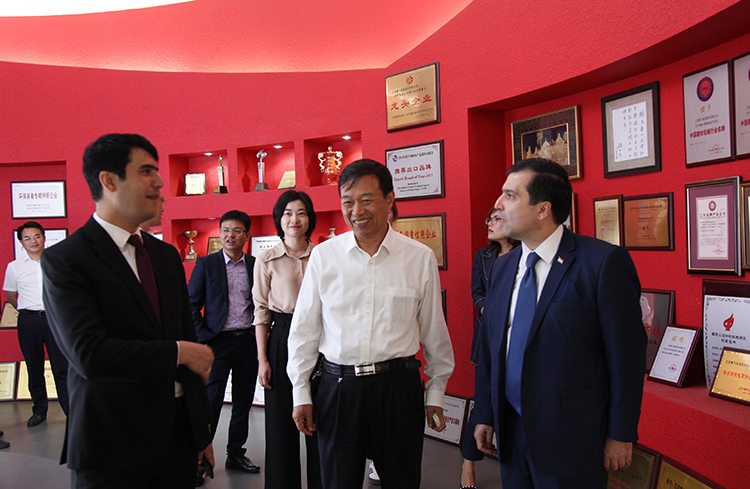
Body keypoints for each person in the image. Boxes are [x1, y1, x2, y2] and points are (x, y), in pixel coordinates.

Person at [41, 133, 214, 489]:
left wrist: (201, 432)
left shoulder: (165, 256)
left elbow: (186, 341)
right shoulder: (67, 259)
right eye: (146, 171)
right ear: (109, 181)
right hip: (111, 444)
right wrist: (178, 353)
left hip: (177, 440)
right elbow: (89, 354)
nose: (159, 182)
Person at [473, 158, 647, 489]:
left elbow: (626, 357)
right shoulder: (502, 267)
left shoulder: (602, 263)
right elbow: (492, 347)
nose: (498, 205)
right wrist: (484, 413)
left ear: (543, 209)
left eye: (510, 196)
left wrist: (621, 433)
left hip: (573, 437)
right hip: (511, 429)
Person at [287, 159, 455, 489]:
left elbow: (434, 329)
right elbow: (304, 330)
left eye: (366, 200)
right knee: (338, 481)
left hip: (397, 388)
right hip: (338, 388)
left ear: (389, 200)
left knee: (402, 481)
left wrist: (436, 391)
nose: (356, 211)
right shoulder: (324, 256)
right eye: (347, 202)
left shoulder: (418, 257)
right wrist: (300, 391)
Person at [253, 190, 321, 489]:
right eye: (288, 213)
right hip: (280, 336)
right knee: (281, 424)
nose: (295, 219)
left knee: (319, 418)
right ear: (279, 220)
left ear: (310, 219)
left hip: (319, 339)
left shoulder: (323, 255)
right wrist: (262, 359)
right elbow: (260, 312)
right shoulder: (266, 259)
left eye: (302, 213)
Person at [188, 210, 260, 483]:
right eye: (226, 230)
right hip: (217, 343)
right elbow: (191, 304)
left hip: (248, 341)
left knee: (243, 402)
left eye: (237, 231)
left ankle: (236, 454)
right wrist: (203, 337)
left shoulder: (255, 265)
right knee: (211, 403)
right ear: (220, 234)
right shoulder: (206, 264)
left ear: (247, 236)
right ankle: (199, 460)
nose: (230, 235)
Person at [460, 208, 519, 489]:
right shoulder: (483, 256)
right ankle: (467, 465)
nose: (490, 224)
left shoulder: (526, 255)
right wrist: (488, 309)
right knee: (483, 402)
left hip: (517, 339)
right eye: (489, 219)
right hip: (488, 335)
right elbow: (477, 291)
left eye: (497, 219)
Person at [3, 221, 69, 427]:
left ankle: (70, 410)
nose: (33, 241)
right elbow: (11, 296)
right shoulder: (14, 267)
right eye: (27, 238)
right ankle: (39, 410)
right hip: (28, 320)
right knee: (34, 366)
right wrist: (28, 310)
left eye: (36, 236)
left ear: (44, 237)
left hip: (54, 319)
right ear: (21, 242)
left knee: (61, 367)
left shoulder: (58, 262)